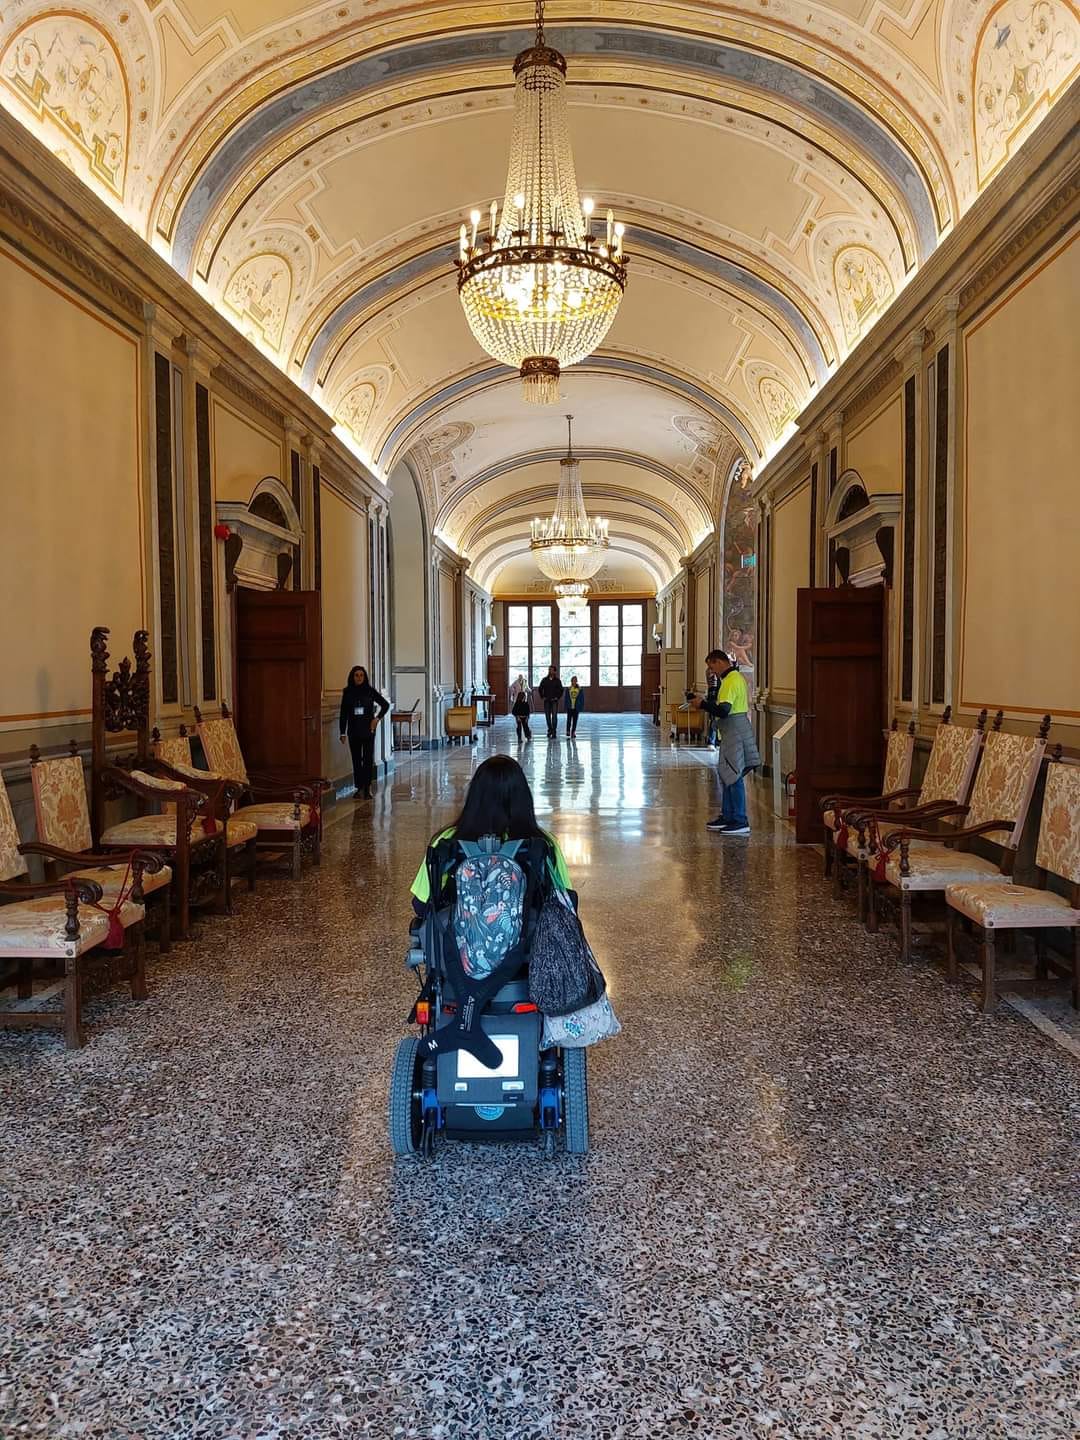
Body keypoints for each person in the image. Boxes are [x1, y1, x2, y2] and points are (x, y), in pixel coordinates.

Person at [411, 755, 572, 916]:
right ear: (523, 797)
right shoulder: (543, 844)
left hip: (457, 932)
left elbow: (420, 905)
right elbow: (566, 904)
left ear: (475, 797)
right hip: (531, 931)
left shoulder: (447, 842)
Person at [692, 649, 761, 836]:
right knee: (727, 774)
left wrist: (702, 704)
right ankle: (728, 815)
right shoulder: (731, 679)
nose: (711, 671)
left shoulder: (731, 680)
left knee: (734, 775)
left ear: (719, 662)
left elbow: (723, 710)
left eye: (711, 666)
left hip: (735, 732)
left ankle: (740, 820)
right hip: (731, 732)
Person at [339, 665, 390, 799]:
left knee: (367, 760)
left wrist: (377, 719)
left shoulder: (370, 691)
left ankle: (367, 788)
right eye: (356, 675)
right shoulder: (347, 692)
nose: (359, 678)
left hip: (368, 730)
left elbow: (385, 705)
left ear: (365, 677)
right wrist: (342, 732)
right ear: (352, 677)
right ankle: (359, 787)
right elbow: (343, 713)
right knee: (356, 760)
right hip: (353, 731)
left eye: (361, 675)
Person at [538, 666, 564, 738]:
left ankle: (554, 731)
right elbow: (540, 688)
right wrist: (542, 696)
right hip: (547, 701)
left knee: (554, 717)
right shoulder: (544, 680)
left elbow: (561, 690)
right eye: (549, 670)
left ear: (555, 671)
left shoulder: (557, 681)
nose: (550, 671)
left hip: (554, 701)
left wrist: (557, 697)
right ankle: (550, 729)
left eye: (552, 670)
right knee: (547, 717)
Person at [509, 673, 532, 742]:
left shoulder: (525, 681)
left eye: (521, 677)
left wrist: (530, 690)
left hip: (523, 697)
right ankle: (519, 737)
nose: (521, 678)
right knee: (519, 726)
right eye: (520, 677)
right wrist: (513, 692)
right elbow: (511, 687)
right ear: (518, 677)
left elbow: (527, 688)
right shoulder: (515, 682)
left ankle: (528, 735)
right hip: (518, 697)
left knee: (525, 726)